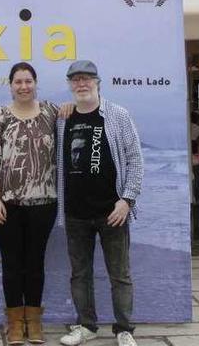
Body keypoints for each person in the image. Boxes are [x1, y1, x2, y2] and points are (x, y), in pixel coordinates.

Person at [58, 60, 142, 346]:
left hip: (113, 212)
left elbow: (135, 160)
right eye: (76, 79)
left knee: (120, 275)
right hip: (75, 213)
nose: (81, 84)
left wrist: (127, 200)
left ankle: (124, 329)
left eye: (87, 79)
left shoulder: (118, 115)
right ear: (70, 85)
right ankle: (86, 325)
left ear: (98, 82)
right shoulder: (63, 118)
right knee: (80, 274)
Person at [0, 62, 59, 345]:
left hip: (44, 203)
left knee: (35, 263)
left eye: (28, 81)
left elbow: (77, 115)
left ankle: (34, 323)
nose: (23, 86)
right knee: (11, 264)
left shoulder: (52, 112)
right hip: (6, 205)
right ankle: (14, 324)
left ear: (36, 83)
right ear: (10, 85)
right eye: (18, 82)